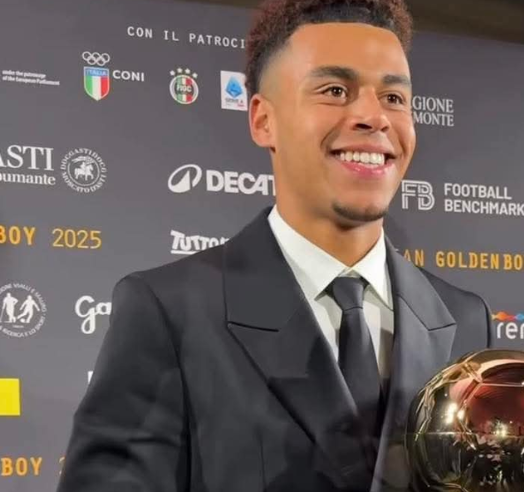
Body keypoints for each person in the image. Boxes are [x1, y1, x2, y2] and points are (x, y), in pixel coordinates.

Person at [57, 0, 491, 491]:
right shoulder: (168, 313)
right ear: (263, 120)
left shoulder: (464, 318)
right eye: (335, 90)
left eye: (393, 97)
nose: (374, 116)